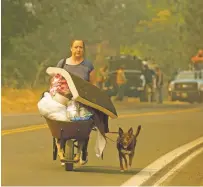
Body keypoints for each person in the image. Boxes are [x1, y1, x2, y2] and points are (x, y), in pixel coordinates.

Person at [55, 40, 108, 165]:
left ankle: (82, 149)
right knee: (59, 119)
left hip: (82, 99)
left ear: (83, 50)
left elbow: (92, 85)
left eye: (81, 47)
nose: (78, 50)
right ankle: (60, 148)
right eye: (76, 47)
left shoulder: (88, 65)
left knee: (86, 122)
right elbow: (56, 80)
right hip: (65, 98)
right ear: (71, 49)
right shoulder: (62, 63)